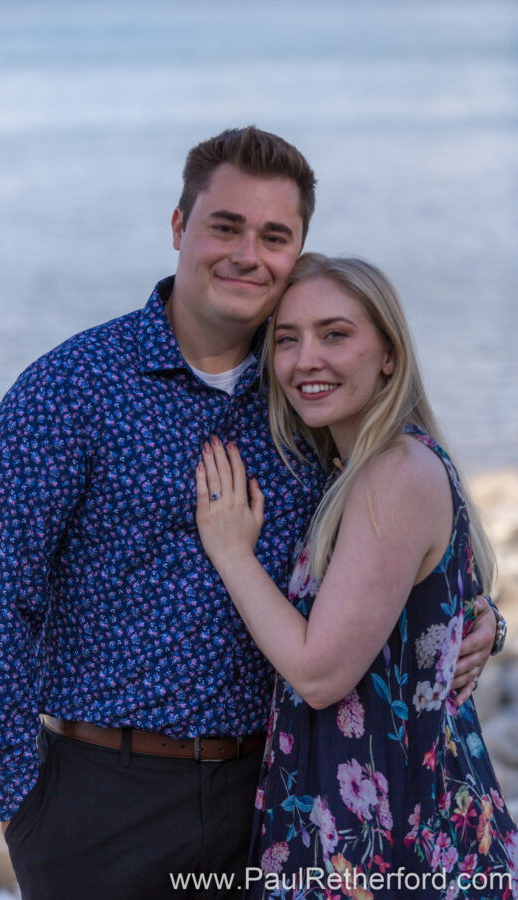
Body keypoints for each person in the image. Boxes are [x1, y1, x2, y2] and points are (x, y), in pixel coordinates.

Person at [0, 128, 500, 900]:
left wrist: (480, 618)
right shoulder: (68, 391)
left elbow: (401, 549)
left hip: (278, 800)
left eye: (275, 236)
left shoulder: (307, 404)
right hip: (104, 800)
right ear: (180, 227)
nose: (249, 254)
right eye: (226, 226)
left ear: (297, 250)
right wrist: (23, 800)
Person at [195, 253, 516, 899]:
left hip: (393, 838)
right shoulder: (365, 465)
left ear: (389, 354)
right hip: (372, 823)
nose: (305, 359)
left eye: (335, 334)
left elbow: (319, 674)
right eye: (287, 339)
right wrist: (486, 625)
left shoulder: (392, 473)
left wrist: (232, 551)